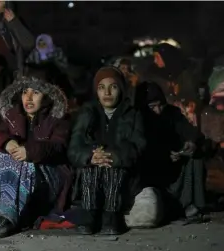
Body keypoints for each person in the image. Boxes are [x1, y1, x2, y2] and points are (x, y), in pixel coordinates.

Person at [0, 75, 72, 238]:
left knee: (25, 163)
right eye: (25, 92)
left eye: (36, 92)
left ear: (46, 97)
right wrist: (7, 142)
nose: (29, 97)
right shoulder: (14, 116)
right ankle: (10, 214)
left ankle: (6, 217)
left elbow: (57, 147)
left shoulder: (57, 120)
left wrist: (30, 151)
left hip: (50, 179)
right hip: (19, 178)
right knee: (0, 154)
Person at [68, 67, 146, 235]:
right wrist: (91, 156)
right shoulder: (88, 113)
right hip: (92, 179)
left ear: (121, 90)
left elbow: (139, 147)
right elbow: (74, 148)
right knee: (92, 165)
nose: (107, 92)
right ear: (96, 91)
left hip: (123, 179)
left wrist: (113, 156)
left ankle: (111, 216)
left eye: (113, 87)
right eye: (102, 87)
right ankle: (90, 214)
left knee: (112, 166)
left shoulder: (132, 114)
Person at [139, 81, 206, 220]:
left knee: (196, 156)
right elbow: (140, 149)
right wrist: (164, 155)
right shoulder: (138, 118)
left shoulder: (171, 113)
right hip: (152, 171)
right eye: (152, 107)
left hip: (174, 165)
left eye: (160, 105)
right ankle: (177, 206)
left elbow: (190, 130)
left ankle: (194, 204)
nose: (158, 110)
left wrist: (191, 141)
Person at [152, 43, 203, 127]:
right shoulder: (165, 75)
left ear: (166, 58)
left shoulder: (185, 76)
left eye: (157, 57)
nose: (155, 61)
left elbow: (193, 100)